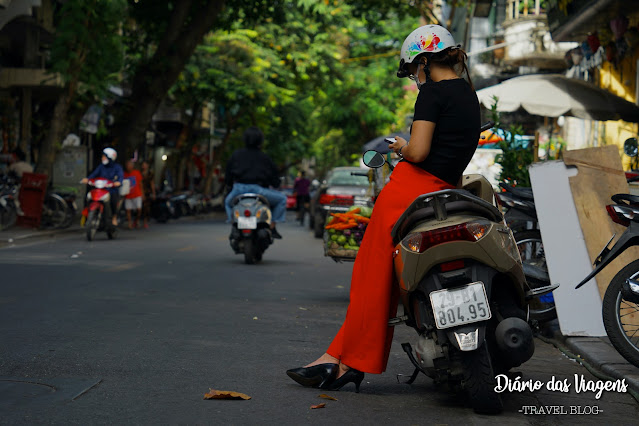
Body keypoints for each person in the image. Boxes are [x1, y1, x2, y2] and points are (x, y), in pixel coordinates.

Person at [286, 25, 481, 392]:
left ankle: (345, 361)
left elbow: (420, 152)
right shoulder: (470, 95)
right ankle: (339, 357)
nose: (415, 76)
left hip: (409, 191)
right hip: (447, 192)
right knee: (386, 279)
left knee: (370, 277)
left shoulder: (433, 94)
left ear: (424, 61)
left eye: (413, 69)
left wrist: (400, 145)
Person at [224, 127, 286, 239]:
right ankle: (272, 226)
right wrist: (275, 184)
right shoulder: (264, 158)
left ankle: (233, 223)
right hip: (259, 191)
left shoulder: (236, 155)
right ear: (260, 140)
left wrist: (229, 186)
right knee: (282, 199)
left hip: (238, 190)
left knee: (228, 203)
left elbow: (228, 175)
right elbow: (274, 178)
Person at [81, 147, 123, 228]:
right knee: (89, 197)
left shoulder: (117, 167)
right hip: (100, 189)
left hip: (111, 190)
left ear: (110, 157)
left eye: (104, 156)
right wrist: (88, 179)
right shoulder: (101, 167)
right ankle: (88, 215)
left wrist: (118, 182)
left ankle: (114, 217)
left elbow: (120, 177)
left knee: (114, 200)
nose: (102, 158)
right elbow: (94, 174)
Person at [124, 160, 144, 229]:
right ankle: (130, 223)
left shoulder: (137, 173)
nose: (128, 167)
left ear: (132, 166)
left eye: (129, 165)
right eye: (127, 165)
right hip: (128, 195)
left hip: (137, 194)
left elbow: (140, 184)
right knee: (128, 210)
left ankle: (136, 220)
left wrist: (142, 194)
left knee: (139, 209)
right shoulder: (124, 174)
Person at [141, 161, 156, 229]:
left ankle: (145, 221)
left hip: (147, 192)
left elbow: (152, 184)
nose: (144, 166)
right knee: (139, 208)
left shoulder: (150, 174)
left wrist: (153, 193)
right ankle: (137, 220)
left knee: (146, 207)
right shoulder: (140, 173)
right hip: (140, 192)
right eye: (143, 165)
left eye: (145, 165)